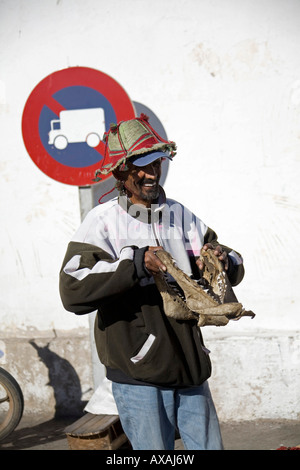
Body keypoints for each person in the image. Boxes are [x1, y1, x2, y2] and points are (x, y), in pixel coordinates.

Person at [59, 114, 245, 450]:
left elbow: (233, 262)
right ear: (121, 172)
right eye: (140, 167)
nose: (150, 173)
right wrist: (134, 264)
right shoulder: (102, 224)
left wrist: (221, 259)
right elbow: (73, 289)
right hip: (138, 374)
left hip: (190, 368)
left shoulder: (181, 216)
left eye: (155, 163)